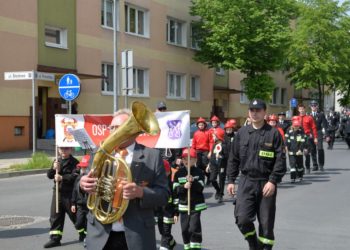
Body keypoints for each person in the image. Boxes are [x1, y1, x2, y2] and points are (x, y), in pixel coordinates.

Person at [80, 109, 169, 250]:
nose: (114, 132)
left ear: (133, 131)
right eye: (112, 128)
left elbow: (164, 195)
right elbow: (81, 186)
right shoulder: (99, 152)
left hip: (137, 236)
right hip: (100, 236)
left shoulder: (152, 156)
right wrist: (82, 184)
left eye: (118, 128)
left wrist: (141, 192)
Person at [227, 99, 286, 250]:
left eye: (258, 110)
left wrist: (273, 181)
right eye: (252, 110)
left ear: (264, 112)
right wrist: (231, 180)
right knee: (242, 218)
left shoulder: (273, 134)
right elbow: (233, 158)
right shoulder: (242, 133)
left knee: (266, 225)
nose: (254, 113)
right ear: (248, 112)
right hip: (246, 181)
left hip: (265, 182)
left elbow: (280, 160)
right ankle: (253, 243)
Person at [44, 147, 80, 248]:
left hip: (69, 194)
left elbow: (76, 176)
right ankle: (55, 239)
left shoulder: (75, 162)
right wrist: (54, 169)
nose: (63, 151)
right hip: (57, 192)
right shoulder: (57, 160)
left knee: (75, 216)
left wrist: (62, 177)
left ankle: (84, 234)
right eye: (61, 149)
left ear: (71, 150)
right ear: (58, 150)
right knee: (55, 216)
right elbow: (50, 175)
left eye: (66, 149)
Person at [173, 148, 207, 250]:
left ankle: (195, 248)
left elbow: (201, 187)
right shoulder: (178, 173)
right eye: (184, 159)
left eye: (190, 158)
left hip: (196, 206)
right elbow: (175, 189)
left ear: (195, 160)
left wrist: (193, 182)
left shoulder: (199, 172)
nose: (187, 161)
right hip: (183, 206)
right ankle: (187, 247)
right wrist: (184, 187)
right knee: (184, 230)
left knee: (194, 228)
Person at [155, 160, 177, 250]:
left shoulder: (172, 185)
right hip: (160, 213)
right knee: (162, 231)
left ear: (169, 172)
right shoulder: (156, 185)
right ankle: (172, 242)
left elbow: (176, 200)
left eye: (166, 172)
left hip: (169, 213)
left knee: (165, 232)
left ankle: (164, 247)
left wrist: (176, 213)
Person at [71, 155, 90, 247]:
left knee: (89, 223)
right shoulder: (78, 178)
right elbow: (74, 191)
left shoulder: (93, 179)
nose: (83, 169)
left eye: (85, 167)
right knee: (78, 223)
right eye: (82, 167)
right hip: (80, 205)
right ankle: (82, 233)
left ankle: (87, 237)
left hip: (90, 206)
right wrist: (73, 203)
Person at [285, 116, 307, 183]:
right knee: (292, 166)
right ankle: (293, 178)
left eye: (297, 126)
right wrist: (286, 147)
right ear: (293, 125)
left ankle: (300, 176)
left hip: (299, 152)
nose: (296, 128)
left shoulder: (301, 131)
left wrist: (301, 150)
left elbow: (303, 141)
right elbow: (286, 140)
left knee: (300, 165)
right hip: (291, 152)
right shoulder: (289, 130)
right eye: (295, 126)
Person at [297, 103, 318, 174]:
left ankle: (307, 167)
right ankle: (301, 167)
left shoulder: (309, 118)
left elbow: (314, 128)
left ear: (304, 109)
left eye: (302, 109)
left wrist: (315, 137)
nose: (301, 110)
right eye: (300, 109)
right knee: (299, 153)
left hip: (307, 137)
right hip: (299, 137)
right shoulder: (297, 118)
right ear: (298, 110)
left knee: (306, 153)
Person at [309, 100, 329, 171]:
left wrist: (327, 135)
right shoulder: (308, 115)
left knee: (320, 148)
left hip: (319, 132)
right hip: (311, 133)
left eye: (315, 105)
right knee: (312, 149)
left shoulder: (321, 114)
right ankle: (315, 165)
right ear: (310, 107)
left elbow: (325, 125)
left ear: (317, 106)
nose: (313, 107)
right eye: (312, 105)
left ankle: (321, 165)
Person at [208, 126, 225, 203]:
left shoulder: (224, 145)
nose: (213, 138)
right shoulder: (214, 145)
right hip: (214, 164)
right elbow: (212, 155)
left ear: (218, 137)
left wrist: (221, 156)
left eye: (214, 136)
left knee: (221, 180)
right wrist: (209, 165)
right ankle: (218, 190)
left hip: (222, 165)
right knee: (212, 179)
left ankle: (221, 194)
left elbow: (228, 156)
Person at [192, 117, 210, 181]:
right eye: (199, 125)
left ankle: (208, 177)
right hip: (198, 151)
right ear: (197, 126)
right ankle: (200, 178)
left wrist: (210, 151)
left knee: (205, 165)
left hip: (205, 151)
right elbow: (194, 143)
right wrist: (193, 151)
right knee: (198, 165)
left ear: (204, 125)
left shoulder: (208, 132)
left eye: (202, 125)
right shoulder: (196, 133)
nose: (201, 126)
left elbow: (210, 142)